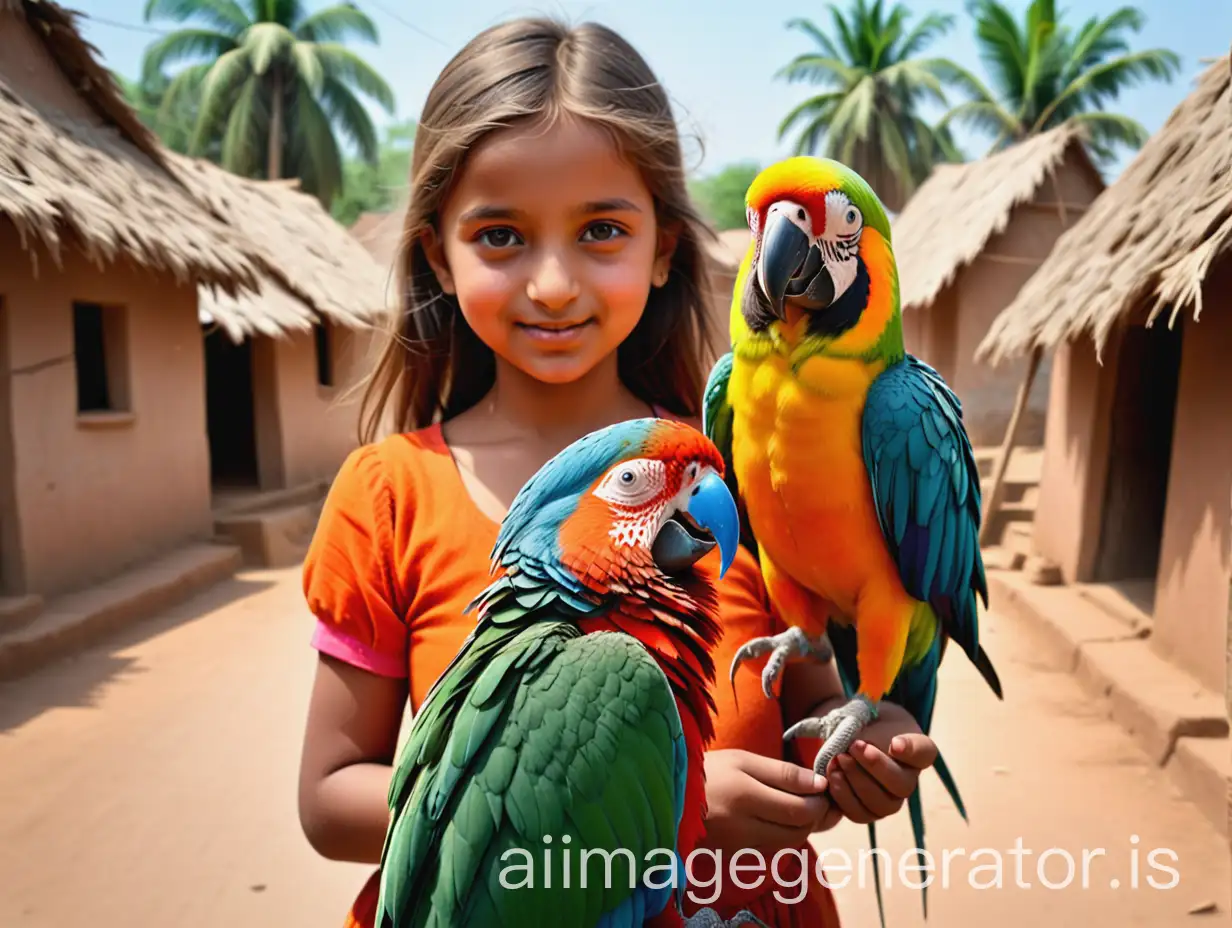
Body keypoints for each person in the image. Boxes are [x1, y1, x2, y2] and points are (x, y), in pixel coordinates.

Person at [297, 17, 938, 928]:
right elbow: (329, 797)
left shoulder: (749, 474)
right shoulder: (388, 494)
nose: (554, 282)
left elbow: (822, 700)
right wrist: (654, 799)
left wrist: (865, 748)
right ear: (438, 251)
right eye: (500, 236)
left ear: (666, 246)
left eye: (601, 229)